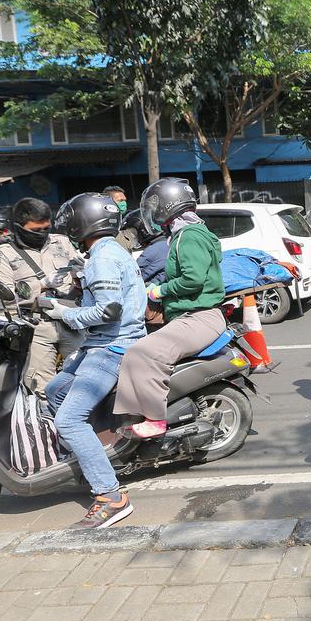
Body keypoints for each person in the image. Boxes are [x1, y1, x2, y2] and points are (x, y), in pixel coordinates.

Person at [39, 192, 147, 528]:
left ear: (83, 221)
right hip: (100, 343)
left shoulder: (102, 256)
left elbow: (109, 310)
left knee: (68, 420)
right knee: (55, 390)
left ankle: (111, 497)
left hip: (112, 348)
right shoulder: (106, 251)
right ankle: (87, 456)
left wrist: (64, 314)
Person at [113, 178, 226, 438]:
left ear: (169, 205)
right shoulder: (185, 233)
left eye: (156, 205)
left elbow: (193, 279)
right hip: (190, 315)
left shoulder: (189, 236)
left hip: (198, 317)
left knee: (143, 353)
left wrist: (159, 290)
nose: (153, 212)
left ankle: (155, 418)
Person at [0, 198, 83, 397]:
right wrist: (42, 284)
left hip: (71, 320)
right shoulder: (4, 254)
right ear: (19, 227)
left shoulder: (62, 243)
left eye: (46, 228)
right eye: (36, 230)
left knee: (84, 380)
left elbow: (82, 274)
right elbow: (8, 296)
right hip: (36, 327)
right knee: (42, 388)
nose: (43, 234)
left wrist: (81, 275)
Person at [106, 186, 138, 250]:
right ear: (109, 202)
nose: (124, 203)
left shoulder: (130, 217)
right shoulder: (104, 221)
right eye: (120, 201)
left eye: (124, 200)